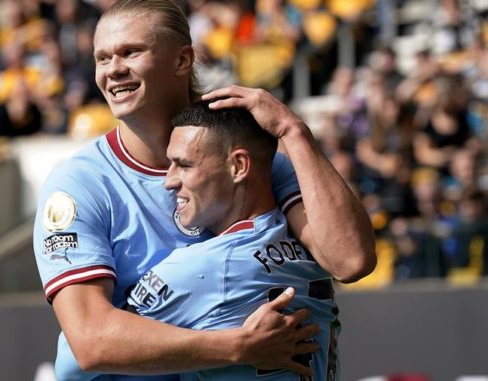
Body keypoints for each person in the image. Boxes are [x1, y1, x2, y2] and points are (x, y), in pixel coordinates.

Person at [32, 0, 376, 380]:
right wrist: (237, 347)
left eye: (131, 52)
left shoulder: (251, 158)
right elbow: (90, 342)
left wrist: (293, 132)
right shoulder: (79, 186)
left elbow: (350, 261)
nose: (114, 69)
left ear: (182, 61)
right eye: (102, 58)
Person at [126, 100, 340, 380]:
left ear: (239, 166)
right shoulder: (313, 246)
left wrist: (236, 347)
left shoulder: (202, 267)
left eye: (184, 165)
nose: (169, 180)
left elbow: (82, 355)